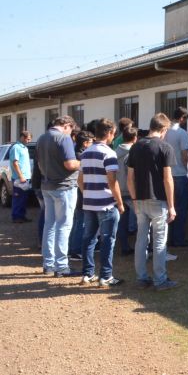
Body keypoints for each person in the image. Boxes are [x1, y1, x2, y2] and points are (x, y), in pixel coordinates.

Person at [127, 113, 178, 291]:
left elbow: (130, 178)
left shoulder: (136, 146)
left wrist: (134, 199)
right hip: (158, 200)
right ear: (163, 129)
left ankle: (141, 277)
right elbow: (168, 179)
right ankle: (160, 280)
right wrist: (172, 205)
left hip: (140, 200)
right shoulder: (165, 147)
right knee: (159, 241)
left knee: (141, 240)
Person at [78, 118, 125, 287]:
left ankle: (87, 274)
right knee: (107, 240)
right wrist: (120, 202)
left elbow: (80, 180)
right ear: (110, 133)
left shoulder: (86, 152)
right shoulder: (109, 153)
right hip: (106, 203)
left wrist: (88, 193)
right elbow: (112, 180)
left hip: (89, 202)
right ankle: (105, 276)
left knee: (89, 238)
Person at [38, 115, 81, 277]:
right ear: (67, 125)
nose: (71, 133)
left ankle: (48, 264)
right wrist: (82, 162)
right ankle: (62, 266)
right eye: (71, 130)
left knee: (49, 225)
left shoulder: (42, 138)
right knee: (63, 225)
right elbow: (70, 164)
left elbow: (39, 163)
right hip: (64, 186)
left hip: (47, 185)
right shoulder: (64, 138)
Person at [165, 106, 188, 247]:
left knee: (168, 206)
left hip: (166, 174)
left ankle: (167, 238)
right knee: (181, 208)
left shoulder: (164, 131)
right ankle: (179, 239)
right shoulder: (182, 133)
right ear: (182, 118)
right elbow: (185, 156)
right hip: (180, 174)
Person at [68, 130, 95, 261]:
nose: (92, 144)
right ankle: (75, 250)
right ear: (85, 143)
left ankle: (73, 248)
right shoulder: (82, 156)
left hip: (79, 192)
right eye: (91, 142)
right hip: (81, 193)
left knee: (78, 222)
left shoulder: (75, 153)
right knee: (81, 223)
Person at [114, 125, 138, 256]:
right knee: (141, 220)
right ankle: (143, 246)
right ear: (135, 138)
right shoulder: (133, 153)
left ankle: (124, 246)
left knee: (121, 221)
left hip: (117, 190)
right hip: (131, 190)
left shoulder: (114, 152)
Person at [10, 130, 33, 223]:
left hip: (26, 177)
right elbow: (15, 163)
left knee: (24, 198)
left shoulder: (25, 148)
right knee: (18, 198)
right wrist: (21, 176)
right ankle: (16, 217)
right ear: (22, 137)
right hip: (19, 178)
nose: (29, 141)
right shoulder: (16, 147)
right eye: (28, 139)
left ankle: (22, 216)